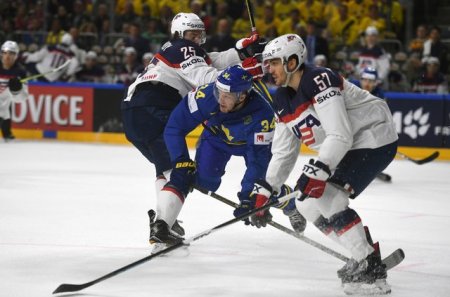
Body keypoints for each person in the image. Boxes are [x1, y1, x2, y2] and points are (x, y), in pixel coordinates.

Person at [253, 34, 398, 295]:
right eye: (267, 63)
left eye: (273, 63)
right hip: (348, 146)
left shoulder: (318, 79)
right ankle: (360, 252)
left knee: (330, 196)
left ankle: (370, 266)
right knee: (305, 202)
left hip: (374, 137)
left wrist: (320, 170)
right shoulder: (282, 99)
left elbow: (340, 134)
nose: (268, 69)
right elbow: (284, 153)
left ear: (293, 61)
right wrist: (265, 191)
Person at [121, 12, 265, 241]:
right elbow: (210, 80)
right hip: (155, 109)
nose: (196, 39)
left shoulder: (175, 49)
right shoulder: (185, 49)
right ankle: (161, 225)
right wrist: (249, 71)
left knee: (166, 168)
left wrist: (241, 51)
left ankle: (165, 219)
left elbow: (214, 60)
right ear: (179, 34)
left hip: (132, 113)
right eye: (192, 34)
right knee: (182, 170)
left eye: (199, 35)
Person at [149, 65, 306, 247]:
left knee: (260, 191)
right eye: (219, 91)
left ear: (242, 96)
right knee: (203, 182)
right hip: (216, 140)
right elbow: (175, 127)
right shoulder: (206, 96)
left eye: (227, 95)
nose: (220, 99)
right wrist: (181, 160)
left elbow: (258, 159)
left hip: (251, 146)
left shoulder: (263, 113)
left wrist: (248, 196)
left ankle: (289, 203)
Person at [0, 41, 28, 141]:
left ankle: (6, 133)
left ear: (16, 56)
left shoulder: (20, 71)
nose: (7, 56)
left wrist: (17, 90)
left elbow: (23, 98)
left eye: (11, 53)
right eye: (5, 52)